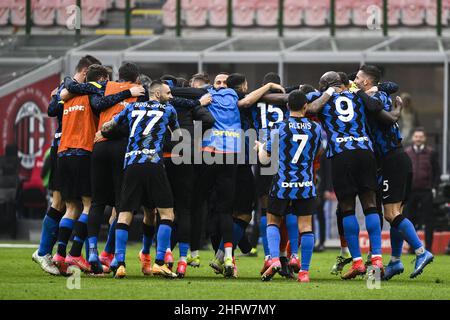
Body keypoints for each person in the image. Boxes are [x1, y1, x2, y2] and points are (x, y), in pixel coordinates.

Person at [354, 65, 434, 280]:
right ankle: (396, 261)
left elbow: (375, 106)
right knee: (394, 214)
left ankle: (420, 251)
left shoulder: (375, 97)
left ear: (367, 82)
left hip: (392, 161)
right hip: (395, 160)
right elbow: (391, 86)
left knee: (390, 214)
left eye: (359, 78)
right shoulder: (379, 92)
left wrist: (360, 92)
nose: (355, 80)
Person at [101, 81, 180, 279]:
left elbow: (109, 126)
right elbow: (178, 136)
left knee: (124, 214)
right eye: (168, 93)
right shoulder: (169, 110)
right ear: (157, 93)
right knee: (167, 213)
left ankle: (119, 263)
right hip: (153, 162)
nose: (171, 96)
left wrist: (106, 129)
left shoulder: (131, 107)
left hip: (132, 163)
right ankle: (160, 262)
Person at [32, 55, 101, 276]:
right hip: (66, 147)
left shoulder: (71, 90)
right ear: (86, 71)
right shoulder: (72, 87)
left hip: (66, 148)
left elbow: (55, 105)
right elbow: (53, 108)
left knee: (69, 204)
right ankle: (46, 252)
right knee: (63, 202)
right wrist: (66, 88)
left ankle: (60, 254)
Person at [255, 90, 322, 283]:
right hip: (306, 184)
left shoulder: (279, 127)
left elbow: (264, 159)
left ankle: (275, 259)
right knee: (306, 227)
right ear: (305, 107)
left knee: (273, 222)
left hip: (282, 183)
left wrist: (260, 147)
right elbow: (317, 153)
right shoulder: (315, 128)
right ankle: (305, 273)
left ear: (287, 107)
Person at [405, 127, 441, 252]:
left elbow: (437, 172)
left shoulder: (431, 153)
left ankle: (429, 248)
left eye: (420, 137)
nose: (418, 139)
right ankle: (411, 247)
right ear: (413, 138)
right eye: (416, 136)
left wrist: (434, 187)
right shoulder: (407, 152)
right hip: (411, 191)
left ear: (424, 138)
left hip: (426, 191)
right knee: (409, 220)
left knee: (428, 221)